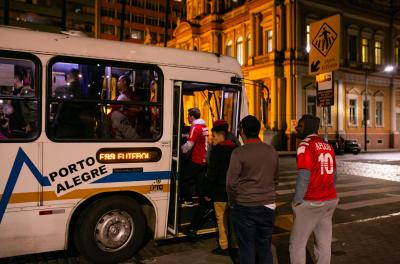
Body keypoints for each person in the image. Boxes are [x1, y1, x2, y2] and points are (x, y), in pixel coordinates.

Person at [227, 115, 279, 264]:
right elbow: (276, 180)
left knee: (247, 249)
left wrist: (233, 202)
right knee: (265, 248)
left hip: (244, 207)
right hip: (268, 207)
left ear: (242, 132)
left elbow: (231, 184)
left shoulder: (238, 153)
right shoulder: (272, 151)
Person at [289, 115, 339, 264]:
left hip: (312, 201)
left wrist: (297, 200)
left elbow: (304, 174)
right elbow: (334, 175)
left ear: (308, 127)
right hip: (329, 199)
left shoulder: (305, 145)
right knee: (324, 244)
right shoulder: (328, 146)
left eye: (300, 125)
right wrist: (327, 192)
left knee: (296, 245)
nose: (297, 128)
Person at [203, 120, 238, 256]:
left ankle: (224, 246)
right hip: (233, 193)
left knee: (221, 220)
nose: (213, 139)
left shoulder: (217, 151)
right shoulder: (235, 149)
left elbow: (212, 174)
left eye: (214, 136)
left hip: (219, 192)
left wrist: (206, 191)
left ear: (220, 134)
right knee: (233, 220)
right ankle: (235, 245)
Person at [180, 107, 209, 204]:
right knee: (199, 181)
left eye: (188, 116)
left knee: (184, 178)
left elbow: (189, 144)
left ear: (192, 117)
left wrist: (181, 150)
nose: (187, 118)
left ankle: (188, 199)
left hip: (196, 158)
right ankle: (203, 201)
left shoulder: (195, 127)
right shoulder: (204, 126)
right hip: (204, 159)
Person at [110, 74, 139, 139]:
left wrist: (125, 108)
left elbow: (137, 109)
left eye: (119, 81)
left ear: (124, 82)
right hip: (116, 127)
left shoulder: (131, 94)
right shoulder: (120, 95)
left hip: (125, 125)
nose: (117, 83)